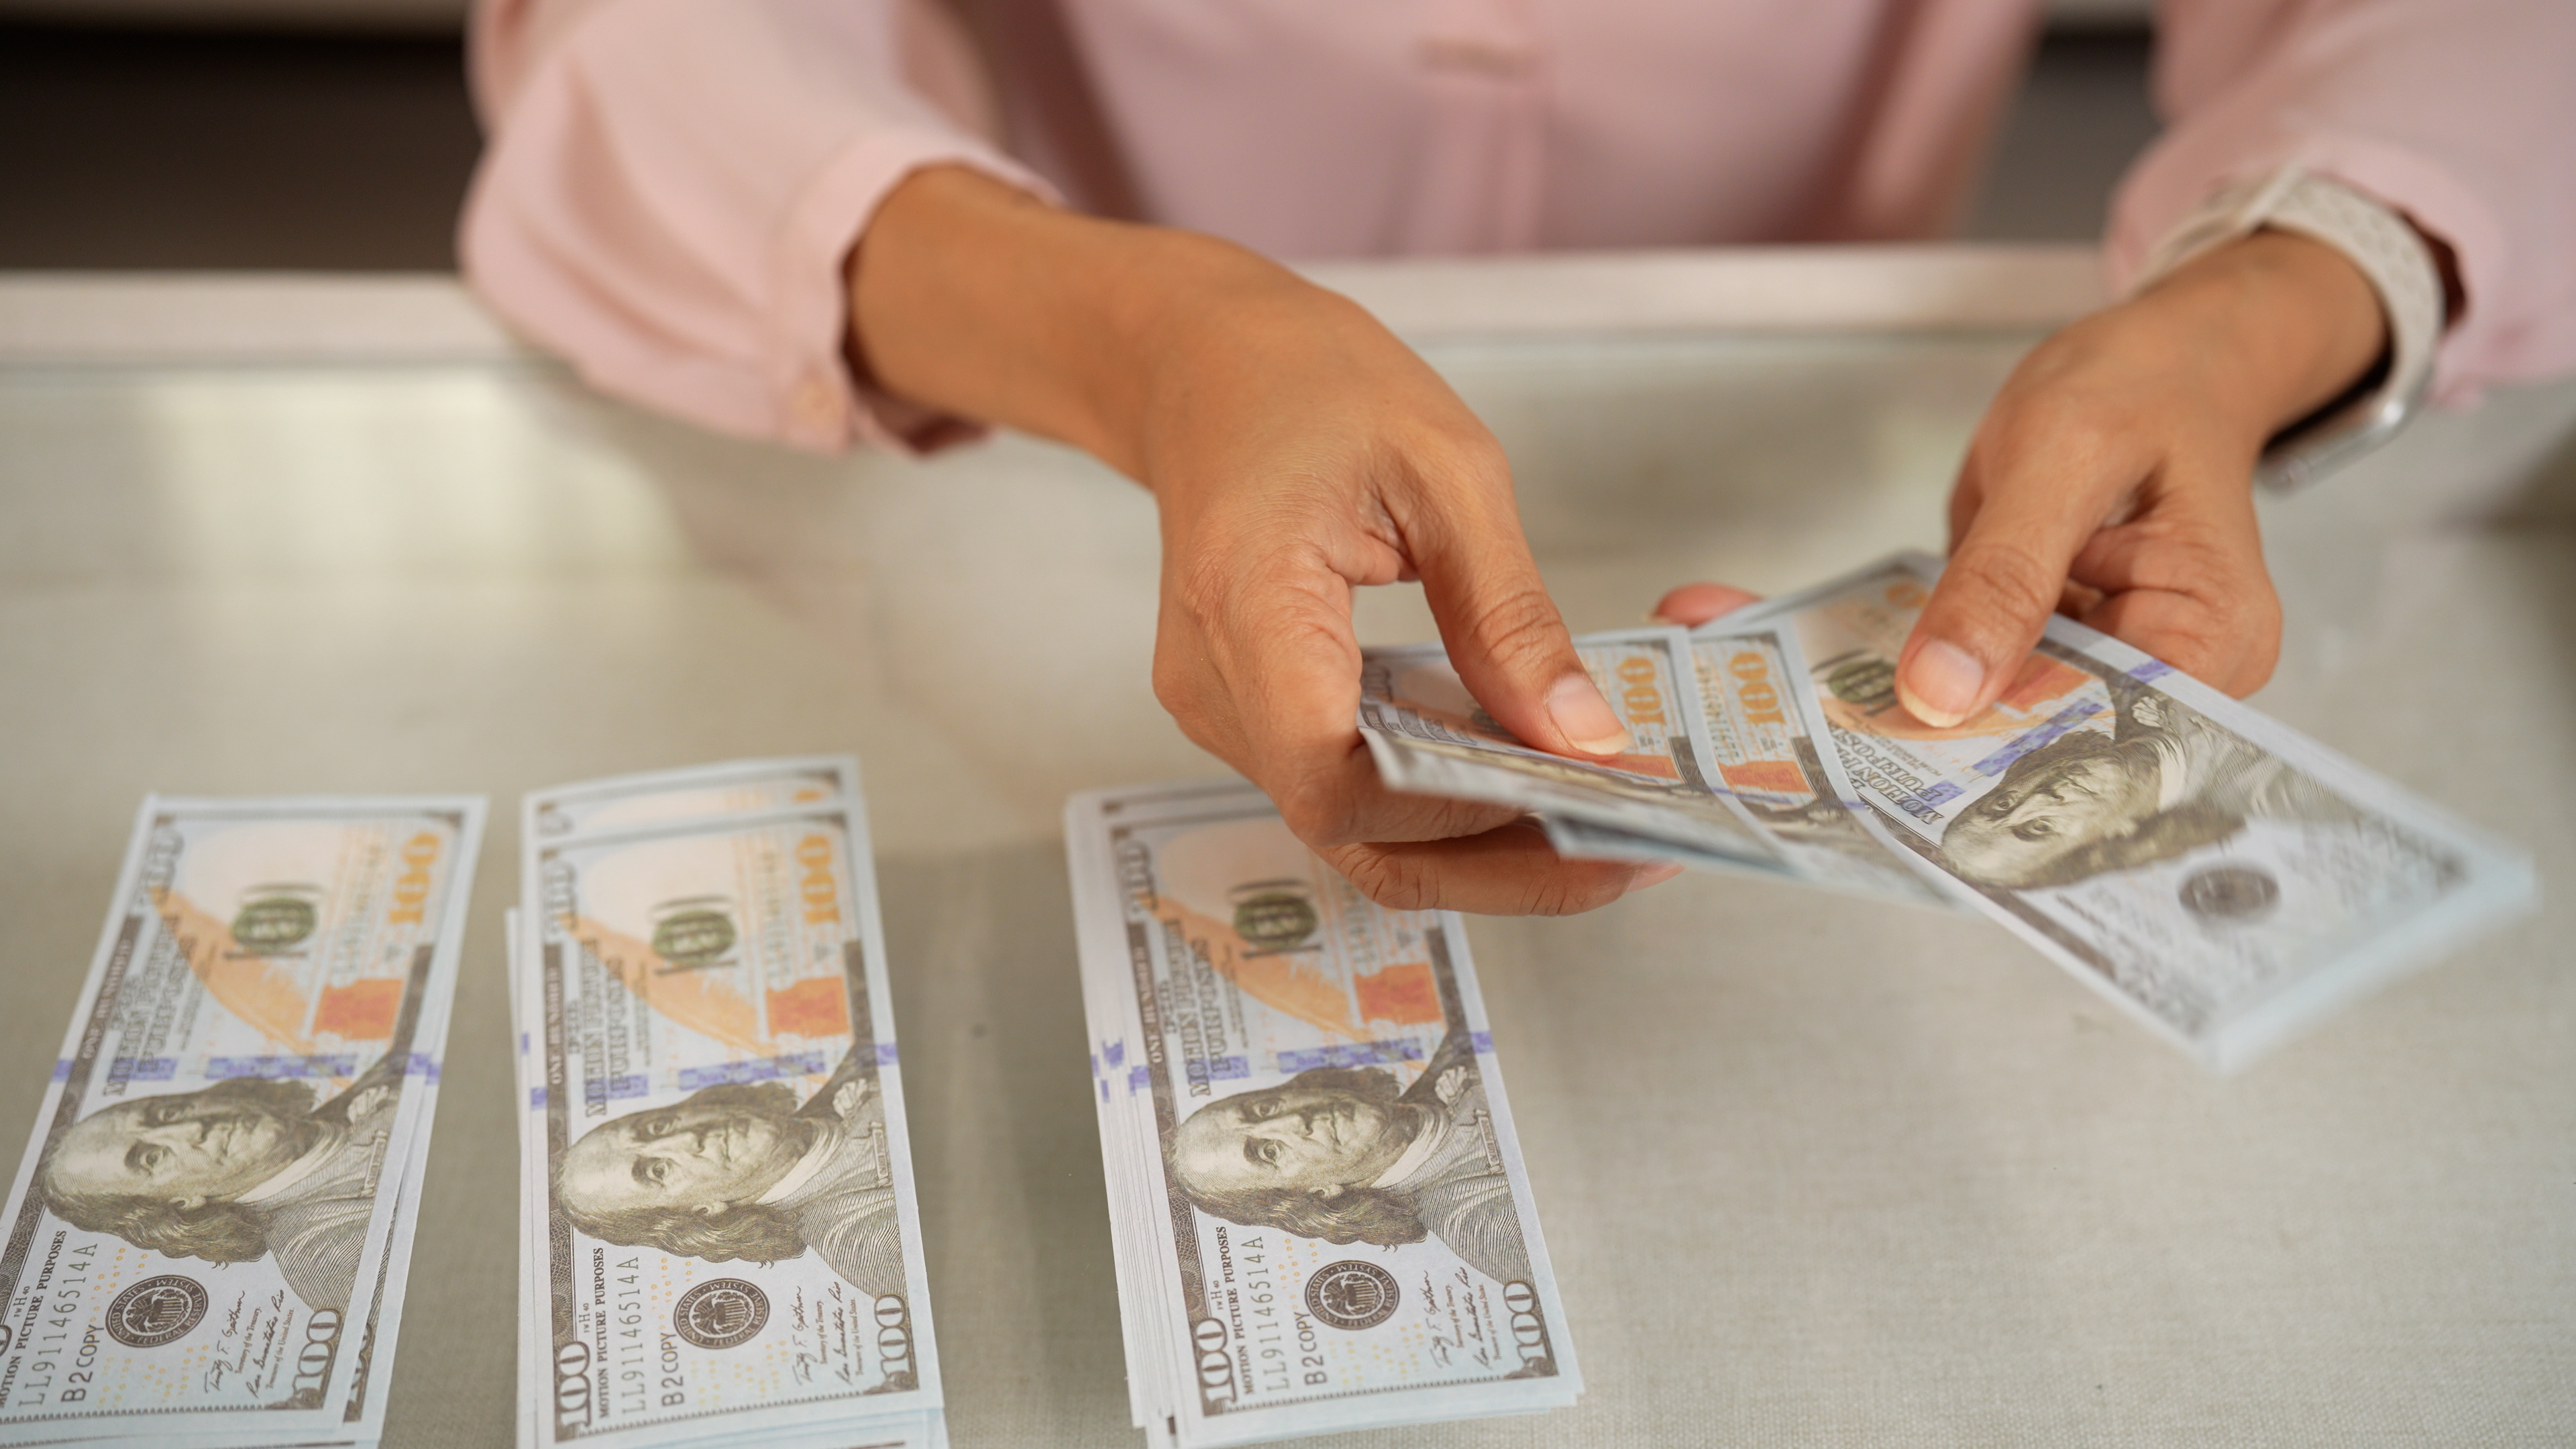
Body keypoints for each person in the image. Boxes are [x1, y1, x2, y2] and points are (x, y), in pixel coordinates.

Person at [462, 0, 2575, 916]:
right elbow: (649, 49)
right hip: (1063, 486)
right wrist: (1149, 336)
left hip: (1847, 482)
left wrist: (2261, 307)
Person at [1169, 1028, 1532, 1289]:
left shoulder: (1458, 1043)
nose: (1295, 1121)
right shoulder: (1483, 1225)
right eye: (1269, 1152)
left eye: (1265, 1108)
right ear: (1315, 1194)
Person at [1940, 679, 2363, 890]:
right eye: (2037, 829)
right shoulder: (2293, 796)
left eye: (1998, 805)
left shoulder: (2123, 680)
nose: (2037, 799)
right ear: (2108, 840)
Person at [41, 1067, 403, 1312]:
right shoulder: (323, 1251)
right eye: (152, 1158)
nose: (193, 1129)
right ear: (180, 1204)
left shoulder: (381, 1074)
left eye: (166, 1115)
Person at [555, 1044, 905, 1298]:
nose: (689, 1137)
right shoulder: (860, 1237)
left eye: (658, 1127)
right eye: (658, 1170)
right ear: (702, 1212)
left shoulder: (855, 1064)